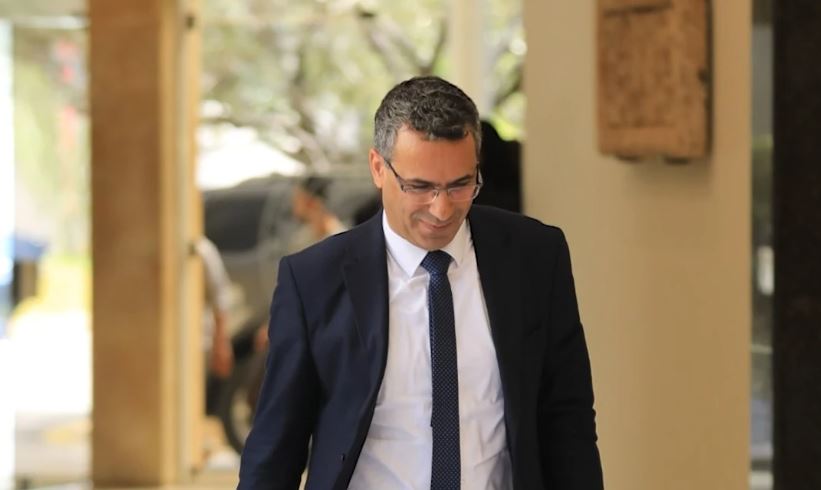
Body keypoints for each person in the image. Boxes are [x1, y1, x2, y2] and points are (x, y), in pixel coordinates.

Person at [238, 76, 603, 489]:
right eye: (420, 187)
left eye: (461, 184)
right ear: (378, 168)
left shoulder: (535, 257)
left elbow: (567, 420)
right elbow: (275, 448)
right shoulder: (313, 281)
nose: (442, 209)